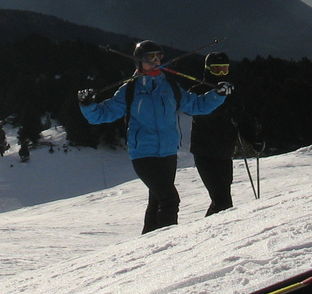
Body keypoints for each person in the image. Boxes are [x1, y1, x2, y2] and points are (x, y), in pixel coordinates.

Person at [78, 40, 231, 233]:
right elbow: (103, 114)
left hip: (168, 153)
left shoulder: (170, 87)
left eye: (159, 57)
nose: (156, 61)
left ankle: (148, 244)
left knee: (157, 200)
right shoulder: (130, 89)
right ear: (138, 62)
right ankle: (168, 242)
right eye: (151, 58)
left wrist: (218, 95)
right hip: (144, 154)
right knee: (170, 199)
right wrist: (87, 104)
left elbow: (196, 105)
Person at [190, 51, 240, 216]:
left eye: (224, 70)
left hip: (225, 153)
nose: (220, 74)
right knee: (222, 200)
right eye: (216, 69)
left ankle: (213, 229)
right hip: (205, 153)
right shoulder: (198, 91)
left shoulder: (231, 91)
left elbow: (241, 116)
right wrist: (218, 97)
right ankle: (212, 233)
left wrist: (254, 138)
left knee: (223, 198)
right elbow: (200, 112)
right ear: (208, 69)